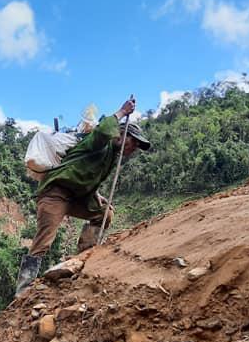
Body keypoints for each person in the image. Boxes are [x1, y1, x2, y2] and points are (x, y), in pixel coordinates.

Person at [15, 99, 151, 295]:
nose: (134, 147)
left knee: (104, 213)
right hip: (56, 193)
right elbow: (103, 131)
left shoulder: (111, 155)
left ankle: (83, 257)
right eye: (133, 141)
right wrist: (122, 111)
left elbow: (86, 173)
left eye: (137, 145)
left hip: (78, 196)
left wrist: (96, 194)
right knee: (44, 240)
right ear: (121, 134)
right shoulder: (99, 142)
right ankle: (23, 289)